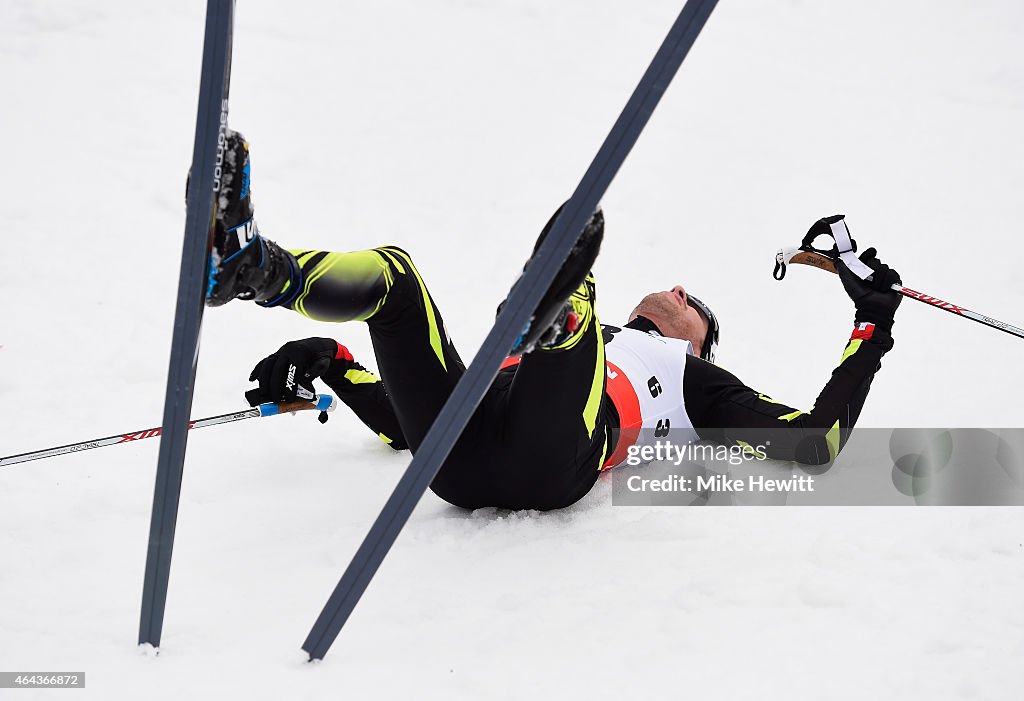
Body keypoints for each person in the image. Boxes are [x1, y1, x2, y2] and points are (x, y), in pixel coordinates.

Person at [209, 131, 902, 510]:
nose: (680, 291)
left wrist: (870, 323)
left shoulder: (697, 384)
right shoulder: (615, 340)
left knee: (574, 321)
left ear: (701, 346)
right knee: (397, 277)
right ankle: (259, 269)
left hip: (555, 457)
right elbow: (402, 424)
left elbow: (814, 443)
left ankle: (559, 309)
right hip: (454, 453)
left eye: (696, 308)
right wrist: (332, 360)